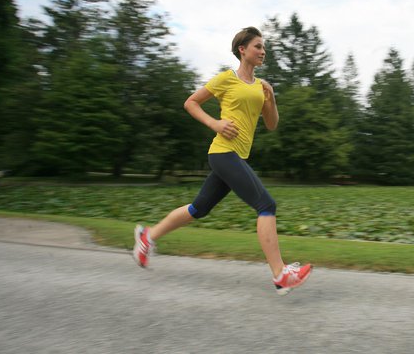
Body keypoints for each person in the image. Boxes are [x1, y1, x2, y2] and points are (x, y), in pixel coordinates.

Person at [133, 26, 312, 296]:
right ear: (243, 50)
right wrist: (214, 123)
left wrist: (271, 98)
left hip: (237, 156)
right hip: (222, 153)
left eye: (264, 47)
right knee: (266, 204)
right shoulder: (226, 79)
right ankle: (280, 274)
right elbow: (191, 102)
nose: (263, 52)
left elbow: (272, 124)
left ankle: (148, 237)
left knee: (198, 209)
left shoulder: (261, 87)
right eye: (258, 47)